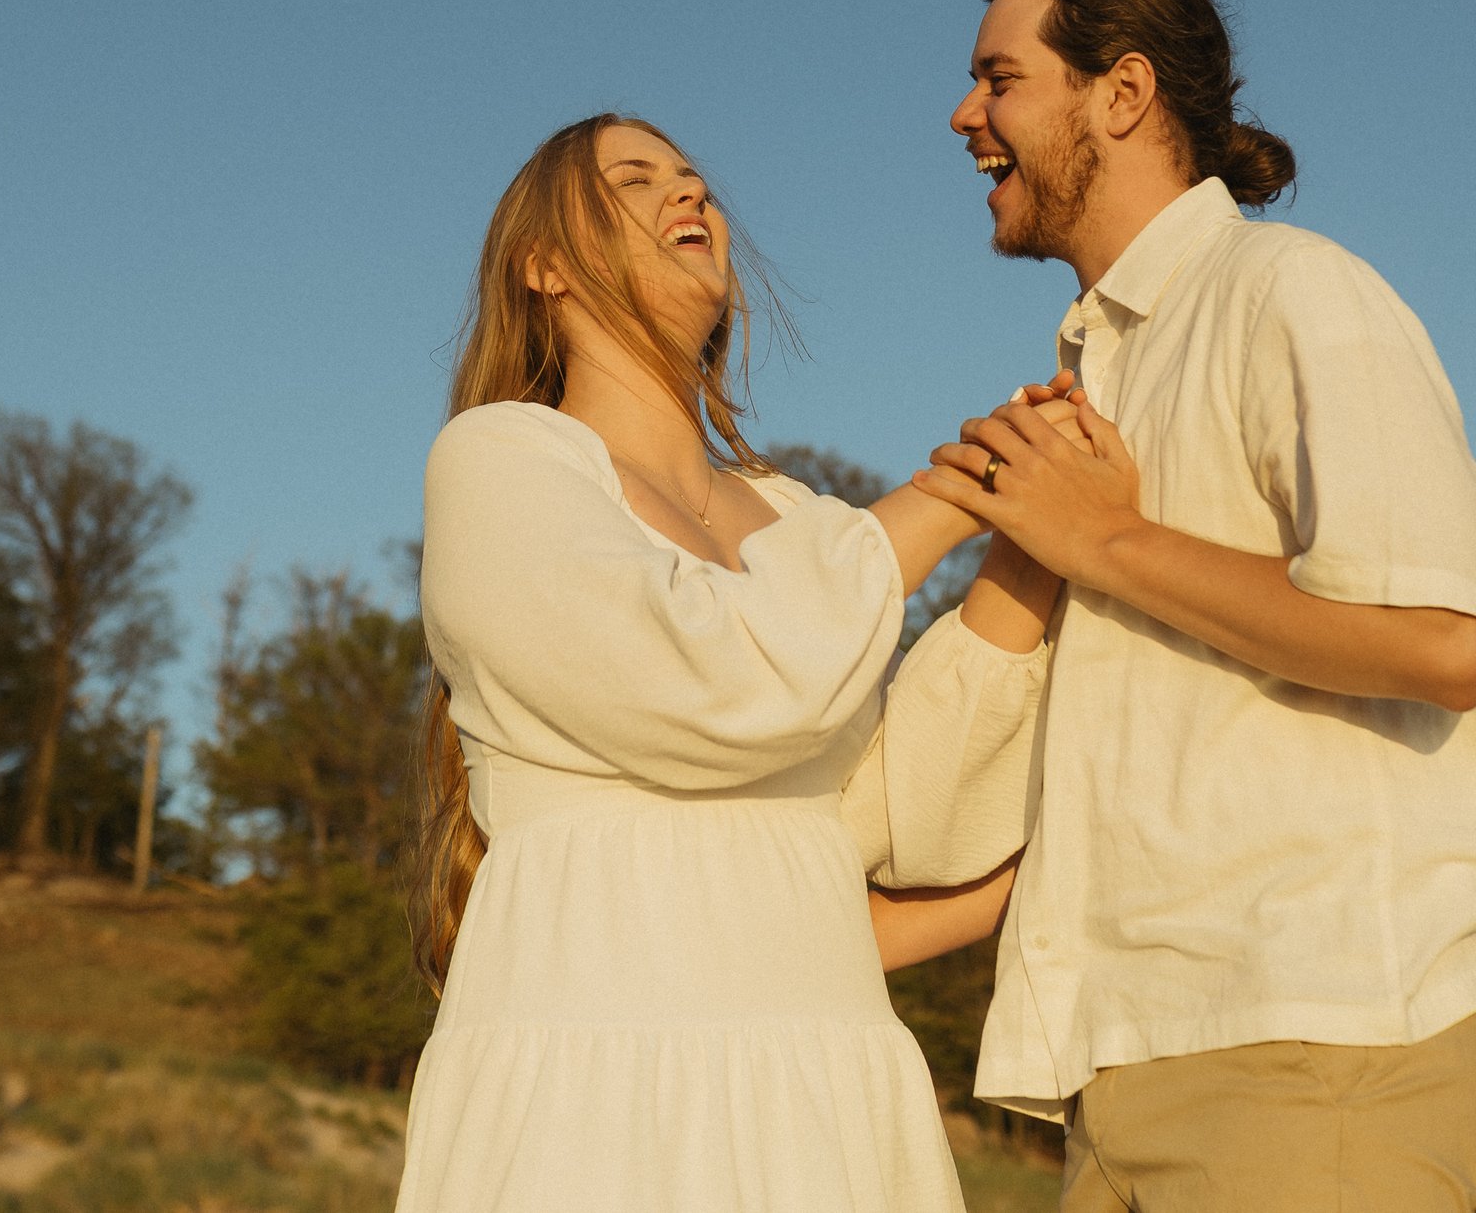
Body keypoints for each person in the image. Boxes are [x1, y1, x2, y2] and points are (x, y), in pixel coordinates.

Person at [912, 0, 1476, 1212]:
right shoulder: (1092, 377)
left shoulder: (1295, 292)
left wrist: (1107, 542)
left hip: (1321, 1053)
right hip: (1123, 1071)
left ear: (1125, 91)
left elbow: (1443, 640)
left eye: (999, 77)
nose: (962, 114)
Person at [395, 112, 1064, 1213]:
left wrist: (1029, 534)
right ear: (544, 265)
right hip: (596, 1086)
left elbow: (894, 815)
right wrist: (943, 497)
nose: (689, 195)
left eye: (696, 179)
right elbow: (720, 686)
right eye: (636, 178)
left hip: (828, 1086)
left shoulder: (802, 520)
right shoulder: (501, 460)